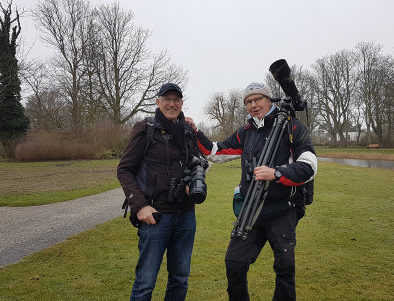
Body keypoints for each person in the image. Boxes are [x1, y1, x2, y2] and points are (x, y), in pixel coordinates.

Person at [187, 82, 317, 301]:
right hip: (251, 210)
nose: (254, 105)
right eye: (249, 101)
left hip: (283, 209)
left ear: (269, 100)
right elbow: (216, 151)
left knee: (285, 266)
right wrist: (196, 132)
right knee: (234, 262)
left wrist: (276, 173)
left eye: (258, 99)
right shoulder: (246, 131)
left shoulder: (293, 128)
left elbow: (309, 166)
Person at [117, 83, 202, 301]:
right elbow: (124, 170)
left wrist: (192, 182)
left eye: (176, 100)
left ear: (182, 103)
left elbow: (196, 164)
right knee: (145, 283)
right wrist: (140, 206)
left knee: (180, 279)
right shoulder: (145, 128)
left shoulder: (187, 131)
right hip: (156, 216)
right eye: (167, 99)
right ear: (158, 102)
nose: (172, 104)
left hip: (186, 215)